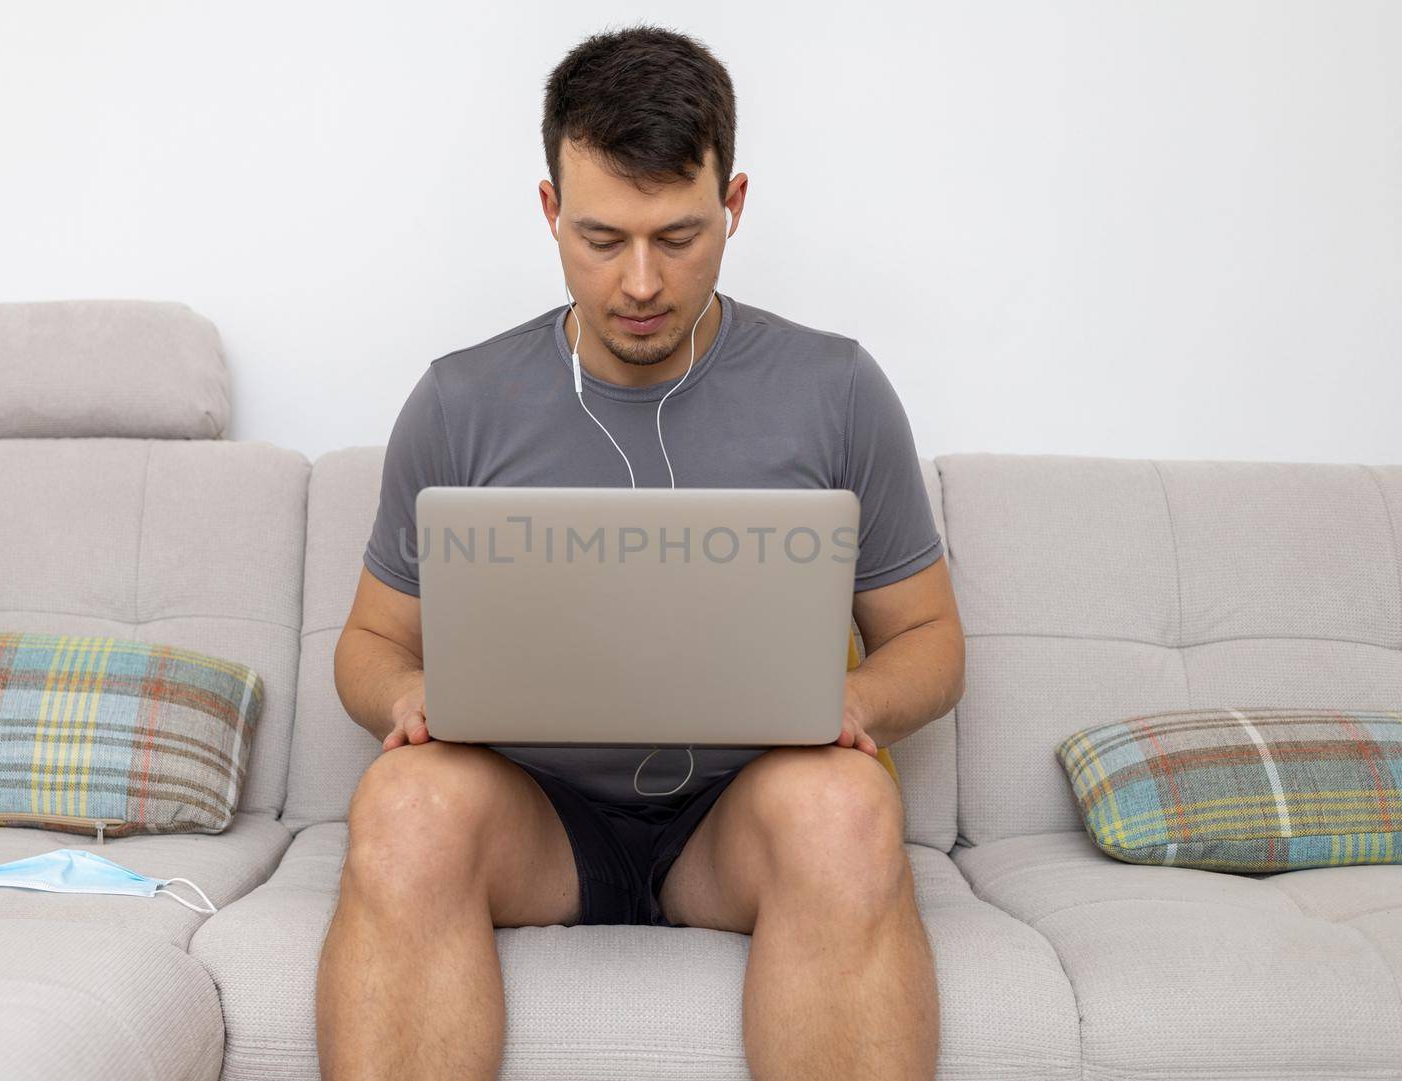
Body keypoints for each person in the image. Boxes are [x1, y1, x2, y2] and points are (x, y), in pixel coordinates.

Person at [315, 23, 964, 1081]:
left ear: (735, 205)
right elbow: (368, 643)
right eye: (602, 238)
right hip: (534, 823)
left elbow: (931, 639)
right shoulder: (460, 401)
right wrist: (403, 697)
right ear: (548, 212)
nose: (640, 282)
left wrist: (863, 704)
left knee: (849, 803)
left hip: (741, 822)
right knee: (405, 799)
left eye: (679, 236)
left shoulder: (835, 389)